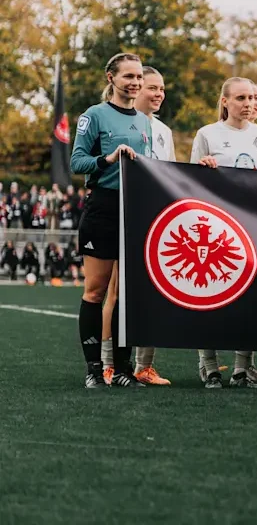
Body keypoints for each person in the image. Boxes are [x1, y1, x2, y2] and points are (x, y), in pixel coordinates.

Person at [192, 77, 257, 389]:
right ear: (225, 102)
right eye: (242, 97)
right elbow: (188, 183)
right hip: (217, 231)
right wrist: (203, 169)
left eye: (254, 97)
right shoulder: (207, 134)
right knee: (210, 297)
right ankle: (209, 366)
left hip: (253, 227)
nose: (250, 103)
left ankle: (242, 370)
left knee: (250, 299)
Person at [70, 52, 152, 388]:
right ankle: (93, 369)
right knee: (96, 291)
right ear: (111, 78)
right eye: (128, 76)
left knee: (128, 294)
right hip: (103, 208)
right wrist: (108, 158)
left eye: (138, 78)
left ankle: (121, 369)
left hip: (135, 209)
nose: (134, 83)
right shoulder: (95, 116)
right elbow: (77, 161)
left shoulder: (145, 121)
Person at [103, 66, 176, 387]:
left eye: (162, 89)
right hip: (122, 211)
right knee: (115, 291)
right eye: (152, 87)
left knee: (155, 290)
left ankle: (145, 365)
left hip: (155, 215)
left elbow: (171, 175)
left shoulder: (164, 131)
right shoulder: (114, 122)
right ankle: (108, 364)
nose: (158, 94)